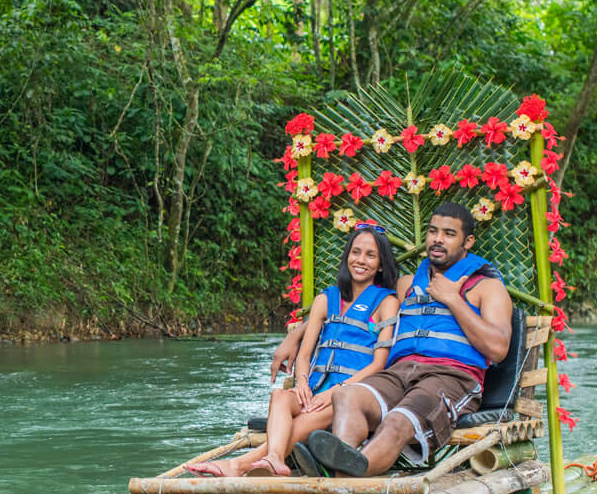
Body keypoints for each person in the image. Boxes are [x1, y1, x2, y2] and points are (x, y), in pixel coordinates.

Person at [308, 201, 512, 477]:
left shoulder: (487, 287)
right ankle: (344, 476)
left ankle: (341, 479)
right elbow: (351, 303)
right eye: (433, 231)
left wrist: (453, 299)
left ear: (468, 241)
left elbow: (498, 349)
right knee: (347, 395)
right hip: (399, 373)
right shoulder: (406, 285)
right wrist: (300, 332)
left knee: (397, 420)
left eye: (449, 234)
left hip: (450, 377)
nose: (438, 239)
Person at [191, 222, 400, 476]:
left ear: (380, 264)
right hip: (314, 390)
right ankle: (275, 459)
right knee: (280, 396)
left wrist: (337, 391)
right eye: (355, 252)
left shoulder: (386, 302)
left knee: (307, 417)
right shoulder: (326, 299)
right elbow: (304, 354)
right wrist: (302, 384)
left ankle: (239, 464)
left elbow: (378, 364)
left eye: (370, 255)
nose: (361, 260)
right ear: (347, 257)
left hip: (349, 397)